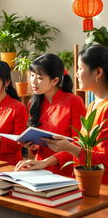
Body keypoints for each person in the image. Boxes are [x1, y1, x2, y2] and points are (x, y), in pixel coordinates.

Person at [15, 45, 108, 184]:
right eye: (32, 76)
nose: (76, 74)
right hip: (78, 178)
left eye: (80, 68)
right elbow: (83, 146)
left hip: (90, 181)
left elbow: (102, 158)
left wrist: (69, 148)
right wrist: (38, 151)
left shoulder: (86, 104)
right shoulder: (93, 105)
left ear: (98, 72)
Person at [15, 53, 86, 177]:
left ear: (55, 81)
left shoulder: (74, 101)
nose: (33, 81)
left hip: (66, 169)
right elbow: (38, 146)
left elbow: (79, 144)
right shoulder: (33, 102)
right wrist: (32, 145)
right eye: (32, 75)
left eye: (40, 78)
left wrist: (46, 162)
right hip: (39, 168)